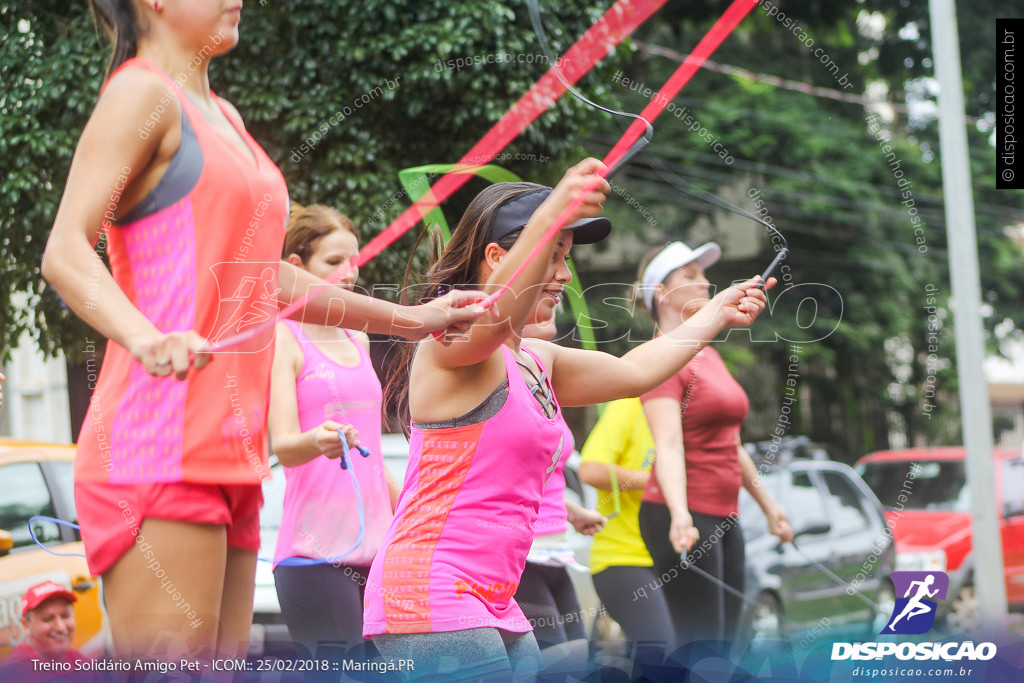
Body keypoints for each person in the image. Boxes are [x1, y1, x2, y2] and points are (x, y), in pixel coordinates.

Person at [40, 1, 481, 661]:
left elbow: (265, 278)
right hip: (157, 443)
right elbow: (65, 252)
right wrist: (144, 337)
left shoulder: (227, 119)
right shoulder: (140, 94)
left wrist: (414, 319)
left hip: (230, 451)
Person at [363, 161, 772, 680]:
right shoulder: (449, 344)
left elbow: (632, 371)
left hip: (492, 597)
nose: (563, 274)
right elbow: (495, 315)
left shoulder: (537, 357)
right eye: (553, 256)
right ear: (496, 257)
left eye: (566, 257)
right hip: (430, 587)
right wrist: (557, 205)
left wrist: (716, 312)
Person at [635, 241, 793, 649]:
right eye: (689, 276)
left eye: (703, 274)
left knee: (727, 643)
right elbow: (667, 446)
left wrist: (771, 509)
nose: (705, 283)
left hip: (724, 512)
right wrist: (679, 513)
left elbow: (731, 445)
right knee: (701, 648)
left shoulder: (707, 354)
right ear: (659, 293)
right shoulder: (659, 358)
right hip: (686, 516)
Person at [268, 204, 400, 653]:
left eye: (354, 261)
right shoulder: (283, 338)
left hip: (378, 555)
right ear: (295, 268)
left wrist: (415, 513)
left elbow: (373, 460)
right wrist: (316, 441)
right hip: (313, 557)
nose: (349, 273)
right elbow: (284, 448)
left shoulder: (357, 338)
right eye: (333, 262)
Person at [514, 317, 606, 670]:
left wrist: (569, 510)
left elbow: (535, 476)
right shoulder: (497, 374)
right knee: (556, 666)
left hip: (554, 549)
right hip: (519, 557)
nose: (557, 289)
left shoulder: (541, 377)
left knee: (579, 660)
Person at [579, 398, 674, 653]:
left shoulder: (682, 412)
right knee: (662, 656)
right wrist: (660, 480)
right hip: (624, 558)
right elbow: (590, 470)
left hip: (671, 559)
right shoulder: (629, 407)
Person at [2, 581, 90, 670]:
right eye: (48, 619)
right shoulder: (16, 671)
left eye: (65, 616)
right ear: (26, 626)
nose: (61, 627)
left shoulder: (81, 662)